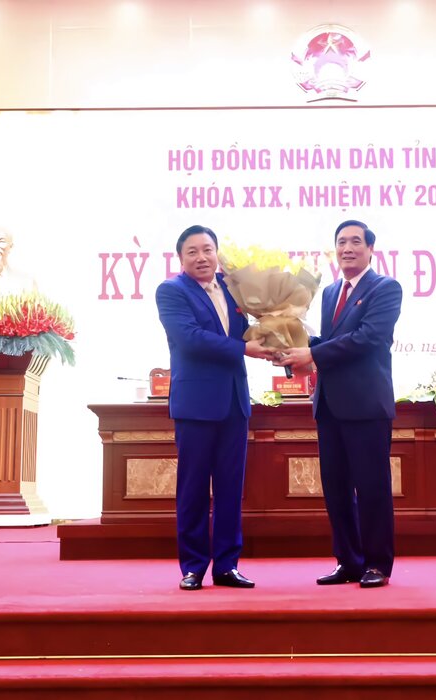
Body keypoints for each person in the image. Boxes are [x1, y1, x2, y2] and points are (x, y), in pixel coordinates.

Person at [276, 219, 402, 588]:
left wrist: (310, 355)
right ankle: (348, 561)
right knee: (336, 488)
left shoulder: (385, 288)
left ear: (370, 249)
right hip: (330, 404)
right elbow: (332, 339)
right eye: (341, 242)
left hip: (365, 406)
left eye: (355, 242)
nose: (348, 248)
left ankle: (377, 563)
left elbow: (366, 339)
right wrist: (286, 337)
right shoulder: (331, 292)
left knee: (372, 486)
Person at [155, 224, 273, 590]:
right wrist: (243, 349)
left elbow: (250, 331)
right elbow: (189, 339)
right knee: (192, 489)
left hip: (234, 403)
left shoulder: (233, 287)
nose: (202, 257)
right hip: (196, 405)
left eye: (207, 249)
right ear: (181, 258)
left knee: (229, 489)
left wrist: (282, 337)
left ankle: (226, 565)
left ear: (217, 253)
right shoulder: (171, 291)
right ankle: (192, 566)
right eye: (192, 251)